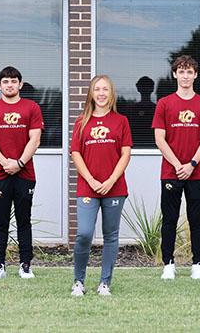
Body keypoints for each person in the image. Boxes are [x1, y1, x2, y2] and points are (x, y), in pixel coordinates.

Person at [152, 55, 200, 280]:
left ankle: (197, 263)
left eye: (189, 72)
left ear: (195, 75)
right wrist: (178, 165)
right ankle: (168, 263)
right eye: (181, 71)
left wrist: (191, 164)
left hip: (196, 173)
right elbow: (160, 139)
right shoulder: (165, 103)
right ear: (174, 74)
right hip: (171, 172)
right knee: (169, 220)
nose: (185, 76)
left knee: (196, 220)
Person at [0, 66, 44, 280]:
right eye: (5, 82)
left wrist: (19, 162)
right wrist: (6, 163)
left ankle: (26, 265)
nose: (10, 85)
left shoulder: (31, 107)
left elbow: (35, 139)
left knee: (24, 220)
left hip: (25, 174)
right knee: (0, 221)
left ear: (20, 84)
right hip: (0, 174)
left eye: (13, 81)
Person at [70, 75, 132, 297]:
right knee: (84, 234)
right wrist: (92, 180)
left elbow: (126, 153)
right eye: (97, 89)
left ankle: (104, 283)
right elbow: (76, 153)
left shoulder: (121, 121)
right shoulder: (81, 122)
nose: (102, 93)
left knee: (111, 235)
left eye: (106, 89)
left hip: (114, 187)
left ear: (111, 93)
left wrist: (110, 180)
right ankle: (79, 281)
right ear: (91, 93)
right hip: (88, 187)